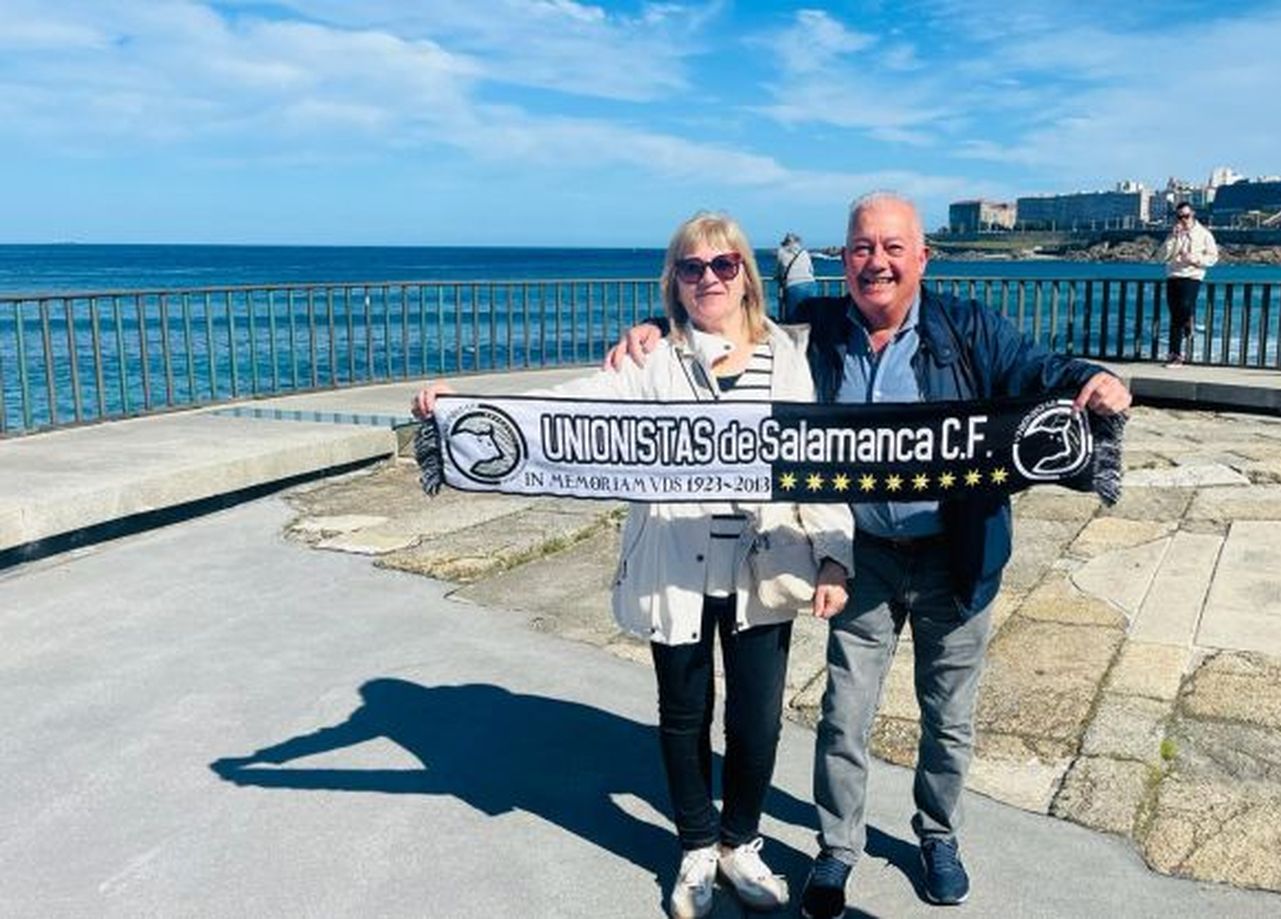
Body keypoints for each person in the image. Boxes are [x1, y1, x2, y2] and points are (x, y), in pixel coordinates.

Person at [608, 193, 1131, 917]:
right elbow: (724, 323)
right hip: (869, 558)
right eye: (859, 248)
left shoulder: (968, 328)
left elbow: (1037, 370)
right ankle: (836, 850)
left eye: (891, 248)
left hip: (957, 554)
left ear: (922, 256)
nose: (874, 262)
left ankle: (938, 836)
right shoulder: (818, 329)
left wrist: (1089, 379)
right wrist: (647, 332)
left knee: (947, 715)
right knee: (844, 715)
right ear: (843, 260)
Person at [414, 212, 854, 919]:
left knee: (758, 721)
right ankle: (695, 845)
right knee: (682, 716)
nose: (708, 278)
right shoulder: (650, 359)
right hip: (674, 563)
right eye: (691, 267)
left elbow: (814, 464)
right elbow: (569, 412)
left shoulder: (785, 353)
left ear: (745, 271)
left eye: (722, 264)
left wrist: (834, 554)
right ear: (673, 281)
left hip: (761, 567)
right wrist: (465, 410)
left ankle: (741, 842)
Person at [1154, 201, 1218, 367]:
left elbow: (1213, 258)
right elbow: (1161, 257)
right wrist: (1172, 238)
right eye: (1179, 216)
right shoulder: (1174, 234)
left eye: (1186, 216)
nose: (1183, 219)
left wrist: (1194, 259)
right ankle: (1175, 354)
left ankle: (1188, 319)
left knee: (1184, 305)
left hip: (1192, 275)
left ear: (1193, 214)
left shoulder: (1204, 234)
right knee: (1175, 315)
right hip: (1173, 275)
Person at [776, 231, 818, 316]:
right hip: (811, 284)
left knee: (793, 317)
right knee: (810, 315)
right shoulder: (804, 252)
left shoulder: (782, 253)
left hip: (794, 285)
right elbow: (811, 270)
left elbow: (780, 271)